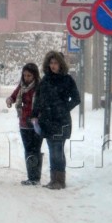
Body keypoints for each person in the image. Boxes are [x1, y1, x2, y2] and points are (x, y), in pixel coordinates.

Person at [31, 50, 81, 190]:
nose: (53, 65)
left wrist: (63, 109)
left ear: (61, 64)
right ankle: (54, 179)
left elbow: (76, 98)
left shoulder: (67, 80)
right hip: (47, 120)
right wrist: (34, 115)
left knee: (57, 150)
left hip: (61, 121)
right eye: (51, 63)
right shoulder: (45, 80)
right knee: (52, 150)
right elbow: (38, 99)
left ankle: (60, 180)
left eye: (56, 63)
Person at [6, 63, 43, 185]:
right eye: (25, 75)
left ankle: (35, 177)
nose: (26, 78)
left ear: (34, 75)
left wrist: (37, 117)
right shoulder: (21, 86)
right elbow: (14, 96)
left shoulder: (40, 87)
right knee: (28, 150)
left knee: (35, 149)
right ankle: (32, 177)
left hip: (36, 124)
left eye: (29, 76)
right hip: (24, 123)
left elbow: (42, 104)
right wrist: (10, 100)